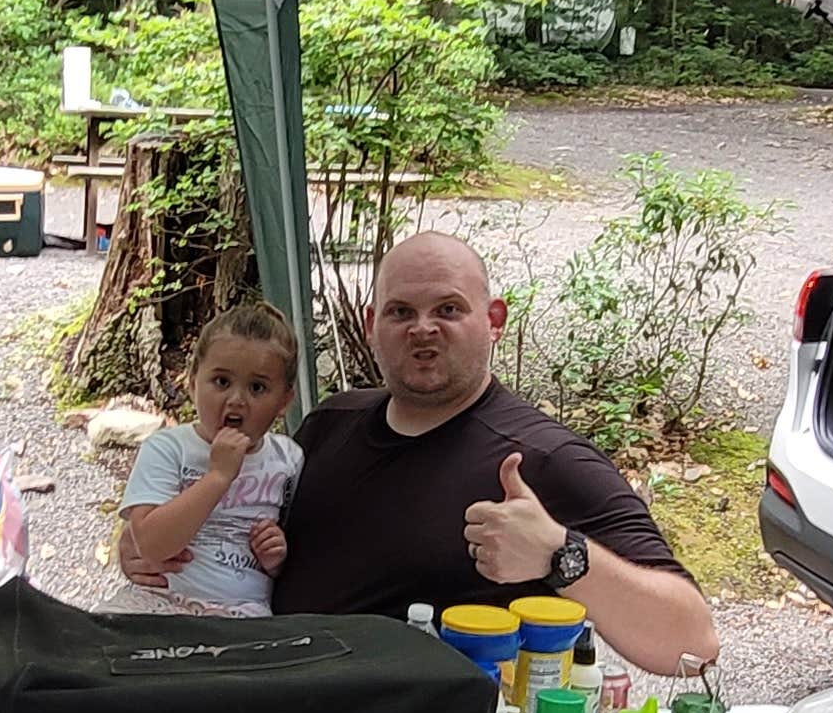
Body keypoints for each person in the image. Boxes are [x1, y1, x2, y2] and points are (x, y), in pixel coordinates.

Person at [125, 233, 722, 676]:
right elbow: (241, 538)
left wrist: (559, 553)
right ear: (372, 324)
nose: (422, 329)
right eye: (401, 312)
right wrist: (144, 550)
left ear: (494, 321)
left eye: (448, 310)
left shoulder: (542, 460)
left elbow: (691, 643)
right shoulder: (328, 426)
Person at [114, 302, 303, 616]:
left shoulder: (289, 460)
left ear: (284, 401)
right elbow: (150, 544)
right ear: (192, 383)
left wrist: (277, 559)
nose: (236, 400)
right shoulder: (167, 448)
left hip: (242, 610)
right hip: (160, 600)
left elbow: (306, 552)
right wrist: (217, 477)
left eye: (257, 387)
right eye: (222, 382)